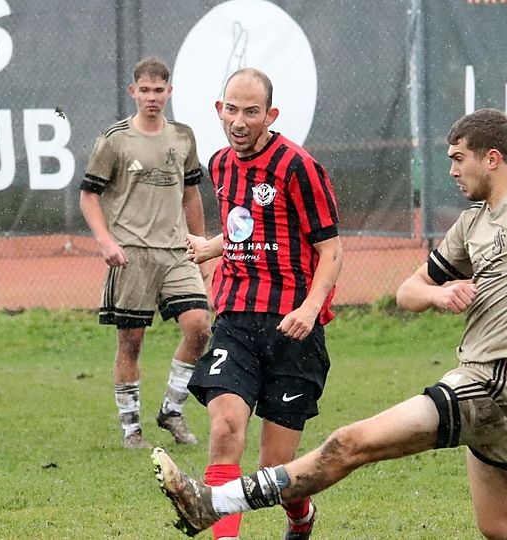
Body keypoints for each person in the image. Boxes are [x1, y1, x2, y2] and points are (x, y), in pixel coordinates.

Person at [152, 108, 507, 539]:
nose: (451, 170)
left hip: (495, 380)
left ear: (492, 157)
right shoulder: (472, 224)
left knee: (351, 442)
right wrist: (440, 293)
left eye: (458, 158)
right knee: (502, 524)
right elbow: (407, 291)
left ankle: (214, 503)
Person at [180, 67, 343, 540]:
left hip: (294, 326)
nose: (239, 120)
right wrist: (213, 246)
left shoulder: (298, 166)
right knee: (224, 430)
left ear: (270, 115)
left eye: (251, 111)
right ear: (219, 110)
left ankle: (301, 515)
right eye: (231, 109)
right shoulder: (219, 164)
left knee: (277, 469)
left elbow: (330, 249)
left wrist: (311, 309)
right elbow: (249, 224)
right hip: (234, 320)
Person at [80, 57, 212, 450]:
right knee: (131, 342)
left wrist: (202, 244)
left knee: (199, 326)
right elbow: (89, 196)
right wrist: (106, 241)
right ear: (133, 91)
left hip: (176, 251)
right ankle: (130, 428)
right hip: (132, 255)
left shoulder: (183, 137)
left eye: (159, 90)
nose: (152, 97)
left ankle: (172, 409)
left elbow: (191, 194)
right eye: (145, 90)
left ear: (169, 92)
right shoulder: (115, 139)